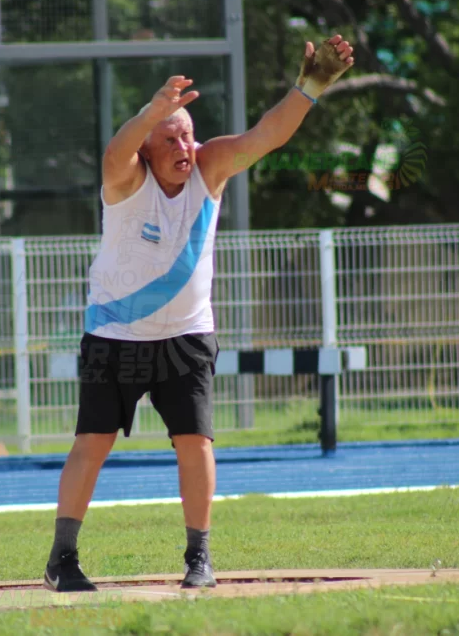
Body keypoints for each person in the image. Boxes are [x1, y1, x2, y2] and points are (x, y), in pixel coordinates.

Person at [43, 35, 355, 592]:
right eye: (170, 137)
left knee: (196, 443)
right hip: (115, 333)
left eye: (188, 134)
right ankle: (62, 559)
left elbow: (266, 135)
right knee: (93, 441)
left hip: (187, 336)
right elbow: (115, 153)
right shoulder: (127, 178)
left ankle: (199, 557)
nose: (184, 146)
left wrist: (310, 87)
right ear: (147, 147)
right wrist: (151, 113)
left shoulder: (210, 168)